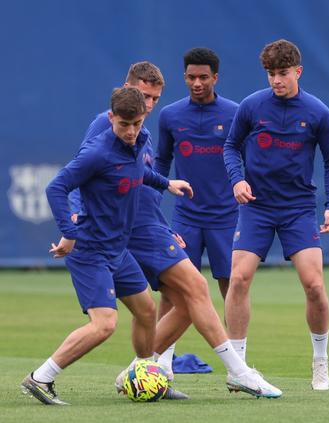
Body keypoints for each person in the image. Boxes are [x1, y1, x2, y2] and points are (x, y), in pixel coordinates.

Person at [74, 62, 281, 399]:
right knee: (196, 287)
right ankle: (239, 372)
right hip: (131, 229)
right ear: (125, 91)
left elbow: (141, 183)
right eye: (143, 96)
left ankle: (143, 372)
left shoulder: (142, 132)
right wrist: (74, 216)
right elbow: (76, 173)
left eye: (154, 98)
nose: (149, 104)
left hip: (148, 225)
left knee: (184, 301)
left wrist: (164, 226)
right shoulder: (107, 124)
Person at [21, 87, 192, 405]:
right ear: (111, 118)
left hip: (118, 249)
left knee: (146, 310)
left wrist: (166, 183)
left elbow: (140, 171)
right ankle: (40, 377)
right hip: (89, 250)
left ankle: (143, 373)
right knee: (104, 325)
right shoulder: (97, 153)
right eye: (124, 124)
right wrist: (69, 234)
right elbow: (56, 187)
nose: (130, 131)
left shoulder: (139, 141)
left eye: (137, 124)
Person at [223, 39, 329, 390]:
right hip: (256, 206)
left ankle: (320, 361)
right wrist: (237, 180)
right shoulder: (251, 106)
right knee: (239, 278)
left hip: (298, 209)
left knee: (314, 284)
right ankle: (238, 367)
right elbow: (231, 147)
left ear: (298, 72)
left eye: (283, 73)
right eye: (271, 74)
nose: (277, 80)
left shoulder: (318, 112)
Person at [155, 47, 239, 364]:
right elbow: (161, 162)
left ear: (215, 77)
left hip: (226, 217)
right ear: (184, 77)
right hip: (186, 218)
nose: (197, 83)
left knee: (231, 286)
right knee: (172, 287)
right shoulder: (171, 116)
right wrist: (153, 200)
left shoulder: (235, 113)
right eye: (191, 77)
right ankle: (163, 363)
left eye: (204, 77)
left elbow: (248, 159)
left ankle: (239, 360)